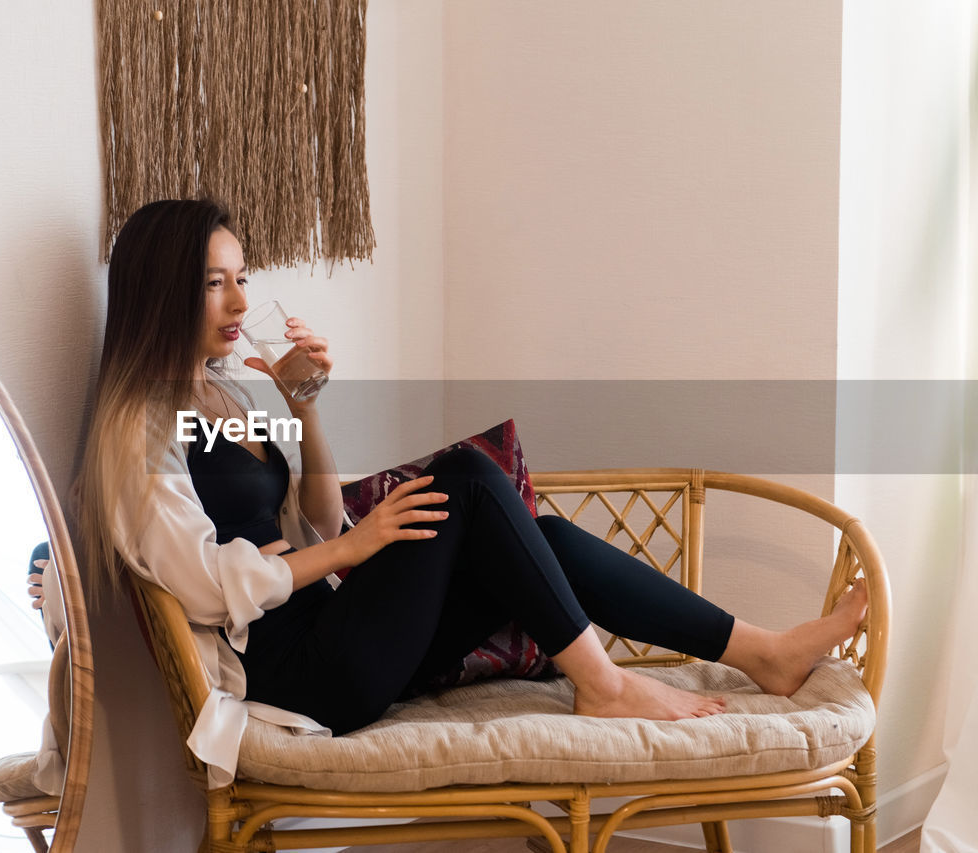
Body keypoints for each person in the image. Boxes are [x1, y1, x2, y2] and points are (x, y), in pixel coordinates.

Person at [77, 198, 869, 787]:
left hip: (339, 632)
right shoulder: (138, 430)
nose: (243, 304)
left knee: (545, 538)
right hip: (300, 676)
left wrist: (304, 407)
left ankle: (761, 651)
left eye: (242, 279)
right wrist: (356, 548)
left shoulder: (226, 401)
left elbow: (316, 517)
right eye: (216, 285)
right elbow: (207, 586)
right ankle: (605, 684)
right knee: (467, 478)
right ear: (161, 293)